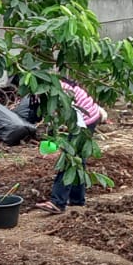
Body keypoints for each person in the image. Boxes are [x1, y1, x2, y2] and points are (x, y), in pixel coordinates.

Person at [35, 79, 106, 215]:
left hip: (85, 120)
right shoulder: (52, 86)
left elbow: (68, 113)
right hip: (86, 117)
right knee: (78, 161)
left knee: (70, 160)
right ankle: (77, 200)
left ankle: (57, 202)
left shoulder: (56, 90)